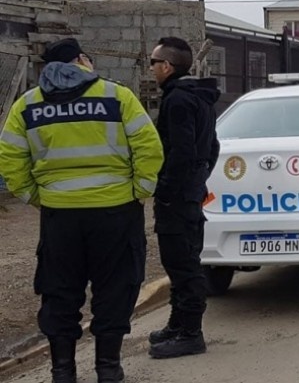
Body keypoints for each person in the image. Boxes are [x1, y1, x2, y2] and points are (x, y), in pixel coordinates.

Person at [0, 38, 163, 383]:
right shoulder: (116, 96)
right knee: (115, 287)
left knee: (59, 290)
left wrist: (34, 196)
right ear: (81, 61)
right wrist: (141, 190)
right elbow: (148, 146)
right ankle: (107, 368)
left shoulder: (27, 105)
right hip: (116, 212)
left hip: (60, 216)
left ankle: (63, 372)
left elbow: (11, 159)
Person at [147, 37, 220, 359]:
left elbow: (182, 151)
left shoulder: (178, 99)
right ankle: (177, 324)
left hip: (178, 196)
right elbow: (212, 147)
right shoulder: (198, 97)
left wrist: (167, 188)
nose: (151, 68)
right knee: (179, 262)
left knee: (184, 264)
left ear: (167, 66)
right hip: (190, 191)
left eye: (153, 62)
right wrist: (199, 180)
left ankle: (191, 333)